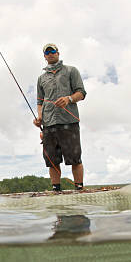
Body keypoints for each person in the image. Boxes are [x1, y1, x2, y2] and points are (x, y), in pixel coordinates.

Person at [34, 43, 86, 192]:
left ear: (58, 53)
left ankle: (79, 188)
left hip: (69, 122)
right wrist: (39, 118)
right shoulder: (41, 79)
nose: (50, 53)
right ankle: (56, 190)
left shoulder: (71, 71)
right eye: (47, 52)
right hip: (49, 124)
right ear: (44, 56)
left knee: (75, 158)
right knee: (52, 161)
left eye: (53, 51)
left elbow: (81, 93)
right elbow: (40, 102)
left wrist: (69, 99)